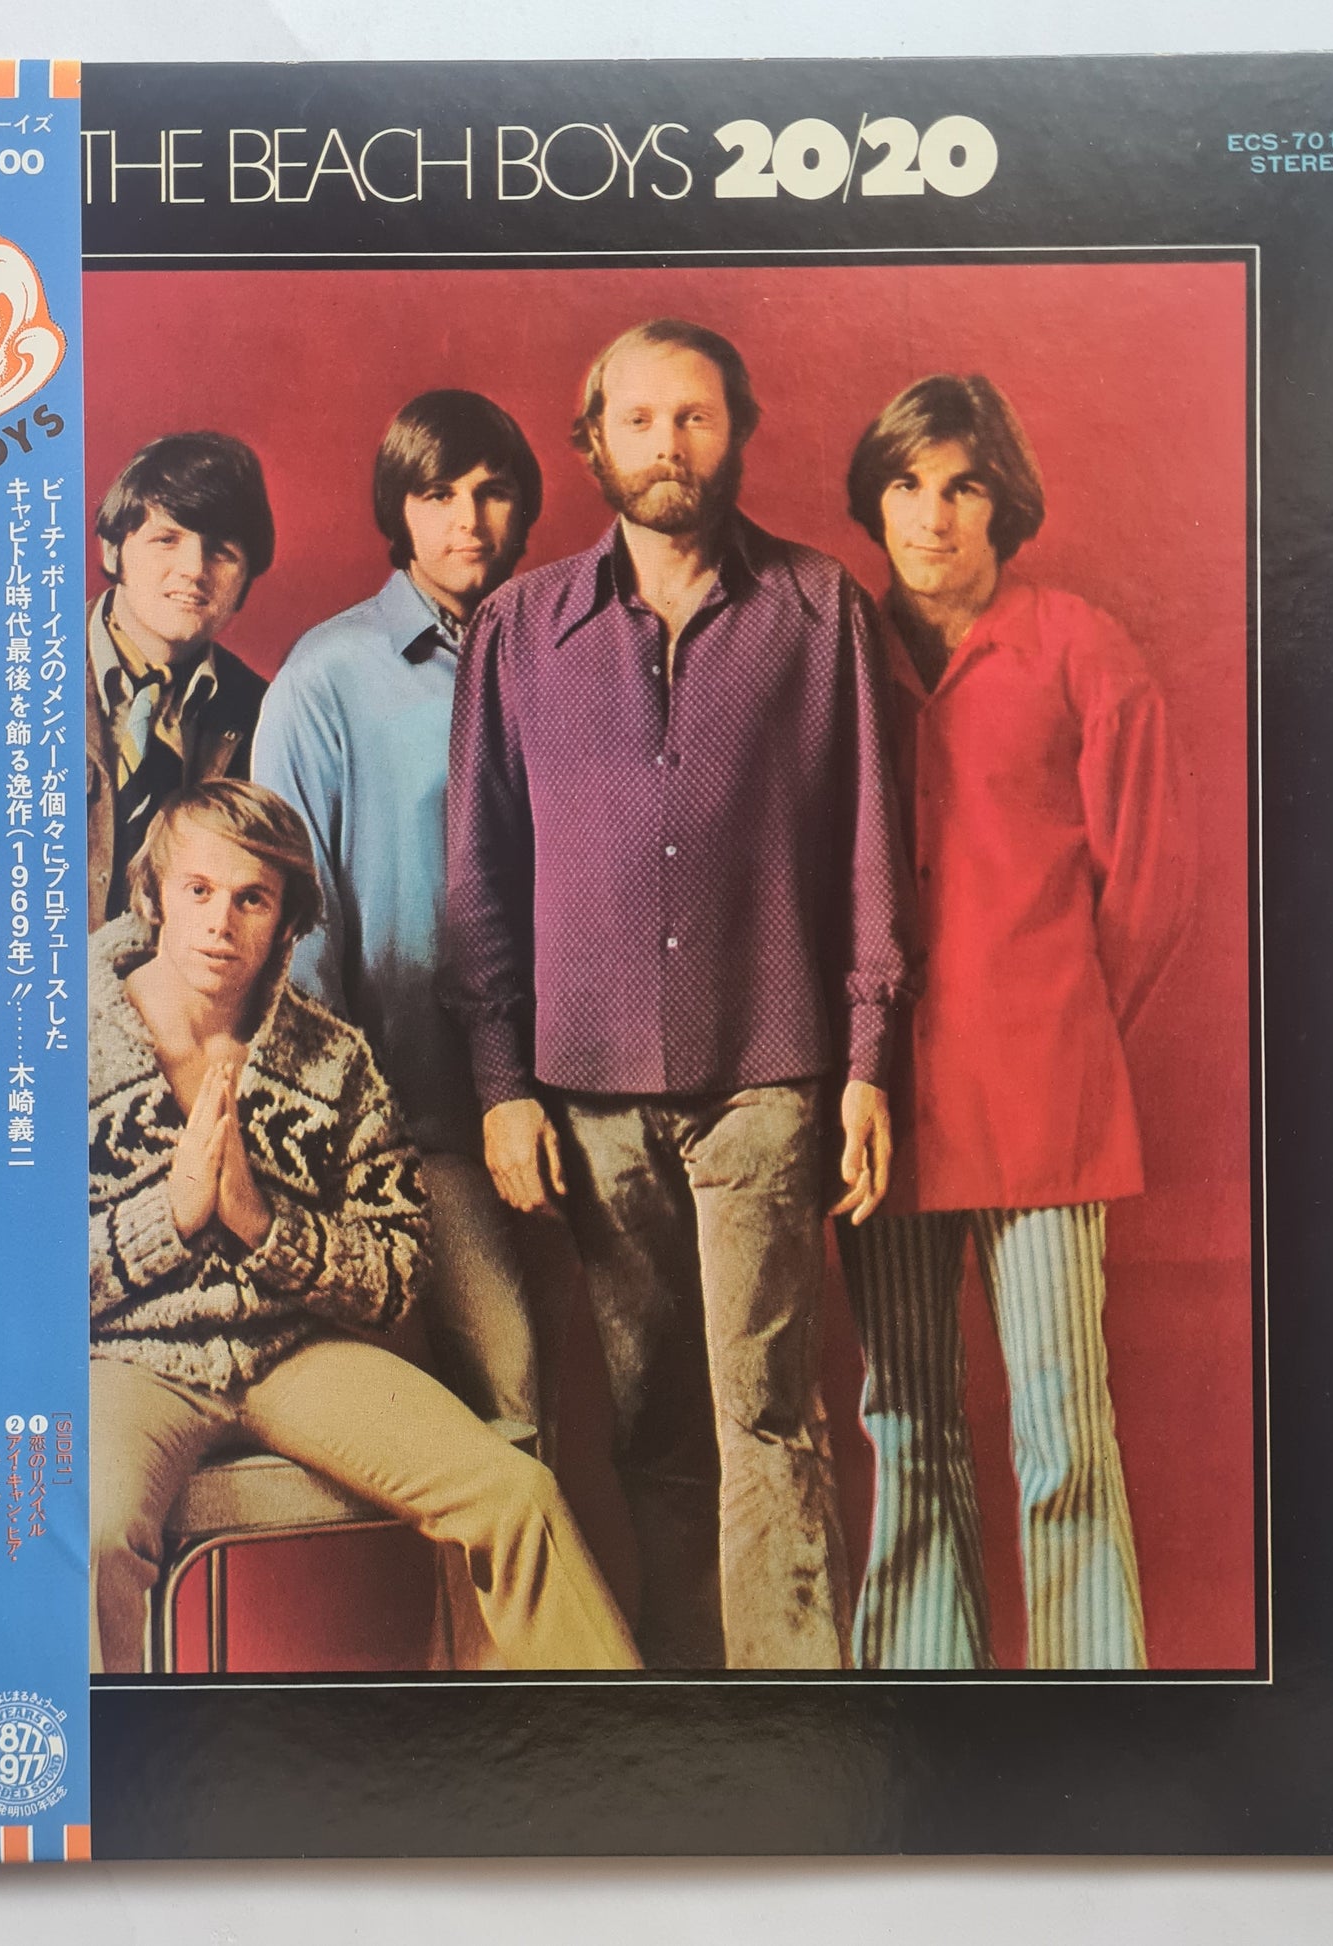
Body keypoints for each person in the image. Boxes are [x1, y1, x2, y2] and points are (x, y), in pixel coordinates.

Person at [443, 318, 914, 1669]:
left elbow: (871, 847)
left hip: (766, 1067)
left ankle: (789, 1718)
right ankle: (689, 1716)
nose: (669, 446)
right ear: (593, 441)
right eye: (639, 420)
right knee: (650, 1420)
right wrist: (500, 1084)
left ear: (737, 432)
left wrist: (867, 1057)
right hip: (586, 1088)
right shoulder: (519, 629)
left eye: (695, 417)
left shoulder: (819, 610)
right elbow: (479, 872)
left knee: (765, 1412)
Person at [88, 780, 640, 1674]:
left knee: (516, 1493)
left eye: (251, 899)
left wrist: (266, 1228)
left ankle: (616, 1740)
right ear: (153, 896)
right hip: (131, 1363)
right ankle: (90, 1759)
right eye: (198, 890)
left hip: (293, 1354)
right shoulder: (58, 1046)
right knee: (88, 1530)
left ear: (288, 921)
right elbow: (11, 1284)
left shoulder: (334, 1060)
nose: (220, 923)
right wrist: (169, 1219)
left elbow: (394, 1273)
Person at [841, 373, 1193, 1670]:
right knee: (903, 1419)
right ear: (874, 501)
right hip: (880, 1106)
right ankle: (920, 1701)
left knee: (1059, 1428)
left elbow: (1151, 883)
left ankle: (1090, 1705)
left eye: (961, 487)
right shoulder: (840, 651)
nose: (930, 517)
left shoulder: (1079, 647)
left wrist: (1062, 1023)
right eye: (905, 485)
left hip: (1046, 1104)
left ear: (1003, 503)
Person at [253, 390, 572, 1461]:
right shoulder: (326, 676)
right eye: (438, 494)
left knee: (586, 1417)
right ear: (399, 508)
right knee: (504, 1412)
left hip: (567, 1101)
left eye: (492, 492)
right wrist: (348, 1138)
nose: (468, 521)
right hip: (415, 1121)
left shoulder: (563, 656)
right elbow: (296, 934)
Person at [86, 433, 276, 930]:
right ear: (113, 550)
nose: (194, 570)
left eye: (222, 551)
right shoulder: (15, 676)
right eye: (166, 539)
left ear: (246, 581)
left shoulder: (263, 713)